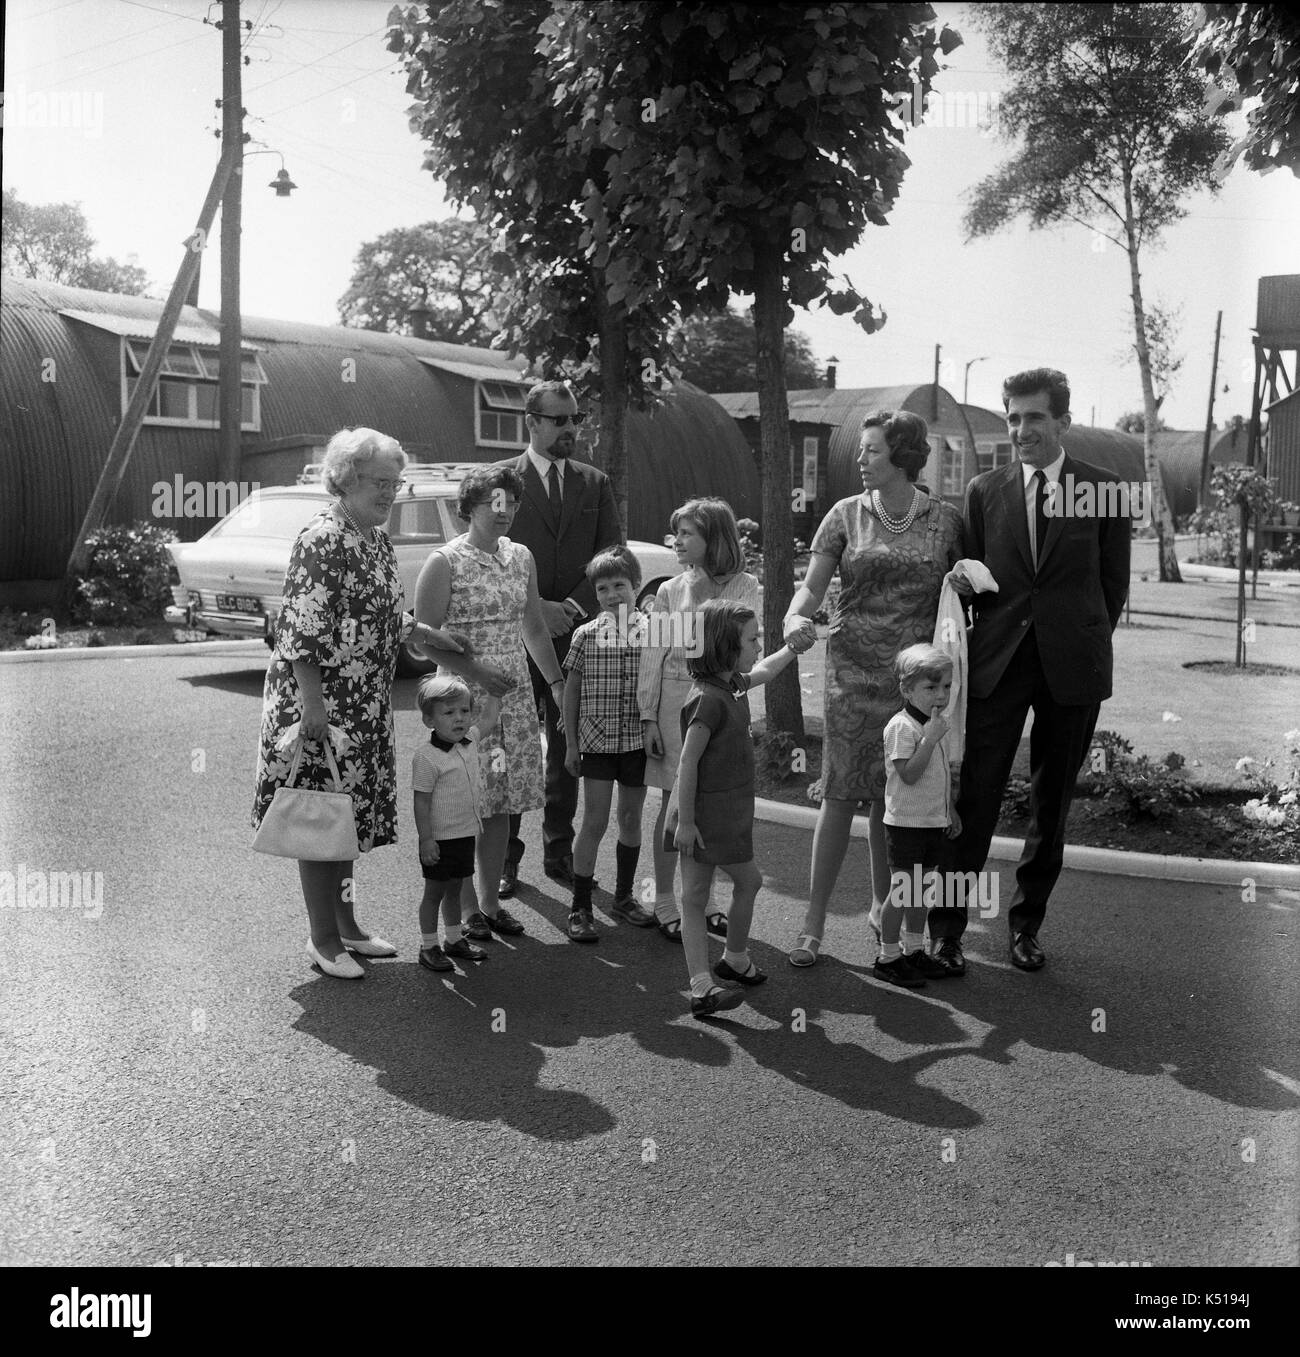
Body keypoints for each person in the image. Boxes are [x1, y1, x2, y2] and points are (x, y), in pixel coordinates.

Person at [252, 427, 470, 980]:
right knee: (320, 816)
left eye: (395, 483)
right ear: (346, 479)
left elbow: (391, 619)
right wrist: (313, 707)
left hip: (364, 702)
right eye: (379, 482)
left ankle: (348, 926)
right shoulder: (323, 538)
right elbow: (301, 631)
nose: (389, 493)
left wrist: (434, 637)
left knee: (343, 818)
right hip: (322, 701)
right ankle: (322, 939)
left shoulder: (373, 539)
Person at [934, 368, 1130, 974]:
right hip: (999, 666)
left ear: (1063, 423)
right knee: (976, 795)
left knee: (1052, 804)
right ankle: (948, 931)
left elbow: (1112, 586)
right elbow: (967, 576)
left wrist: (1078, 639)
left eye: (1034, 418)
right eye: (1013, 418)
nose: (1020, 429)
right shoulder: (982, 491)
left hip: (1072, 667)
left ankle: (1025, 928)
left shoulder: (1104, 490)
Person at [781, 411, 964, 968]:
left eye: (872, 451)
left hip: (914, 684)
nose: (860, 460)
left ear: (903, 457)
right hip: (852, 675)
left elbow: (966, 593)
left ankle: (885, 917)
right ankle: (813, 925)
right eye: (861, 451)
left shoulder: (946, 522)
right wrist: (794, 617)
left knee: (897, 802)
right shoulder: (843, 515)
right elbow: (811, 588)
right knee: (840, 793)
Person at [412, 464, 567, 943]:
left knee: (499, 803)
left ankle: (488, 902)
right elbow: (422, 641)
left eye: (512, 504)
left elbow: (534, 628)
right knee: (462, 804)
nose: (506, 512)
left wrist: (557, 685)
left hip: (514, 695)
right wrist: (476, 672)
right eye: (495, 503)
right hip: (461, 697)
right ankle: (462, 912)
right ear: (469, 508)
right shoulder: (445, 561)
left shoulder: (521, 556)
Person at [495, 381, 623, 896]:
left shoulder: (594, 483)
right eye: (561, 420)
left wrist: (568, 608)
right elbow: (490, 549)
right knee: (508, 745)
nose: (572, 428)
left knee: (566, 744)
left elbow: (610, 554)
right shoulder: (501, 480)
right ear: (532, 422)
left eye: (576, 420)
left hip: (574, 636)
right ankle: (504, 858)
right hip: (512, 638)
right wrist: (535, 608)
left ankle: (559, 849)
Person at [671, 599, 814, 1019]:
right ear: (723, 646)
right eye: (751, 639)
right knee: (698, 896)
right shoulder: (707, 700)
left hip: (727, 812)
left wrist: (792, 648)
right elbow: (687, 763)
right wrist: (687, 821)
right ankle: (702, 986)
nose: (757, 645)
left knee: (742, 884)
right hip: (700, 816)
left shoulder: (730, 684)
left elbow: (767, 671)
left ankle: (733, 959)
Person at [639, 498, 760, 942]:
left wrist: (706, 582)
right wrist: (648, 715)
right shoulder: (670, 590)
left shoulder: (745, 586)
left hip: (722, 704)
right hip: (675, 699)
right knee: (674, 801)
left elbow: (734, 644)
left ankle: (703, 901)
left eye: (688, 533)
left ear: (715, 537)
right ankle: (664, 901)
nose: (677, 542)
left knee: (706, 804)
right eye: (677, 533)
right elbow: (655, 653)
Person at [561, 546, 657, 942]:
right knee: (595, 821)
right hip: (597, 743)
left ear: (636, 586)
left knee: (631, 819)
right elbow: (572, 691)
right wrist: (570, 744)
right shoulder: (585, 635)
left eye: (620, 585)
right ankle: (581, 906)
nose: (612, 594)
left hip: (636, 743)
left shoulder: (654, 631)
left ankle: (623, 897)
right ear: (595, 594)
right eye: (603, 588)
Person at [877, 644, 962, 988]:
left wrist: (949, 811)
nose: (940, 695)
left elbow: (938, 776)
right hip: (905, 826)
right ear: (906, 689)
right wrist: (929, 741)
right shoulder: (903, 727)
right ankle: (888, 957)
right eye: (930, 688)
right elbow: (909, 775)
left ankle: (914, 949)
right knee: (901, 893)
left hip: (931, 823)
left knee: (922, 892)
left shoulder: (933, 724)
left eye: (945, 686)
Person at [412, 674, 501, 972]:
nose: (459, 718)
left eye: (464, 710)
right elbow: (421, 802)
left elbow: (488, 720)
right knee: (434, 893)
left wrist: (495, 693)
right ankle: (428, 946)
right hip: (439, 840)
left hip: (465, 835)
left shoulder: (470, 741)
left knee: (454, 889)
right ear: (429, 720)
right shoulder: (426, 758)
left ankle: (453, 939)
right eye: (448, 713)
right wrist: (426, 839)